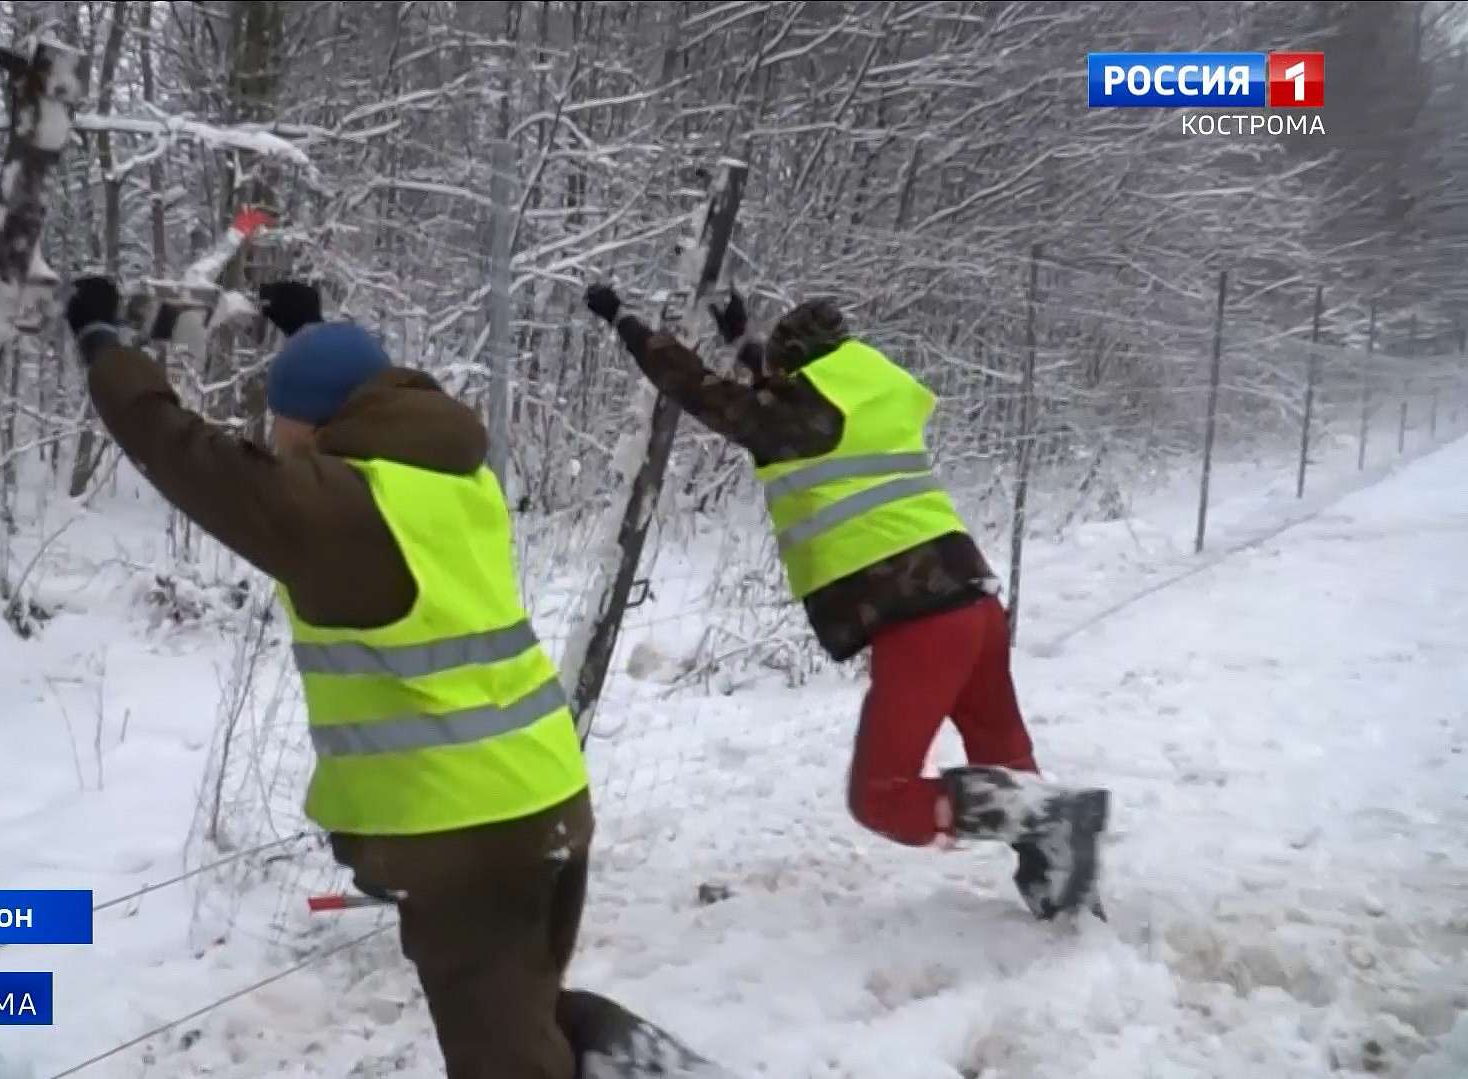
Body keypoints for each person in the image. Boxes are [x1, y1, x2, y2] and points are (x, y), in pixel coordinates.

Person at [67, 274, 596, 1079]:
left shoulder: (341, 512)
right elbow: (352, 418)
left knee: (506, 1063)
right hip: (546, 798)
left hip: (470, 838)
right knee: (525, 1027)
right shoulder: (452, 477)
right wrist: (308, 340)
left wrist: (104, 349)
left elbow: (185, 453)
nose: (271, 438)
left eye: (278, 423)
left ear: (309, 426)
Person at [580, 283, 1108, 922]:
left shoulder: (804, 414)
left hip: (919, 623)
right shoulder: (864, 396)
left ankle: (1052, 817)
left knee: (882, 794)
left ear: (796, 368)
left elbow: (703, 393)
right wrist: (744, 343)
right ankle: (1065, 888)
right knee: (1003, 755)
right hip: (975, 601)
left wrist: (630, 325)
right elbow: (782, 405)